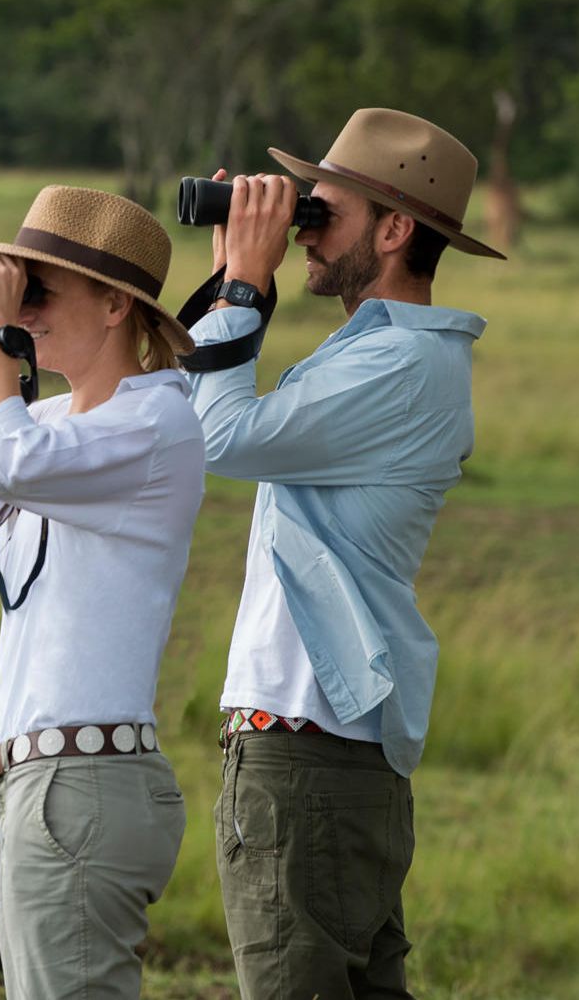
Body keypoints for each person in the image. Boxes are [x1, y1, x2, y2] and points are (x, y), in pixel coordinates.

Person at [185, 108, 506, 999]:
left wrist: (245, 290)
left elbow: (220, 439)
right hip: (331, 754)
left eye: (322, 210)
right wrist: (224, 288)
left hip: (303, 752)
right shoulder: (376, 354)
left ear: (396, 229)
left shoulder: (398, 366)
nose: (305, 229)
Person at [0, 185, 204, 998]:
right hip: (48, 787)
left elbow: (1, 464)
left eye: (41, 291)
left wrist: (1, 334)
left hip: (84, 785)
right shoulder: (52, 429)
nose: (26, 309)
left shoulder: (153, 426)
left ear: (119, 304)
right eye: (19, 289)